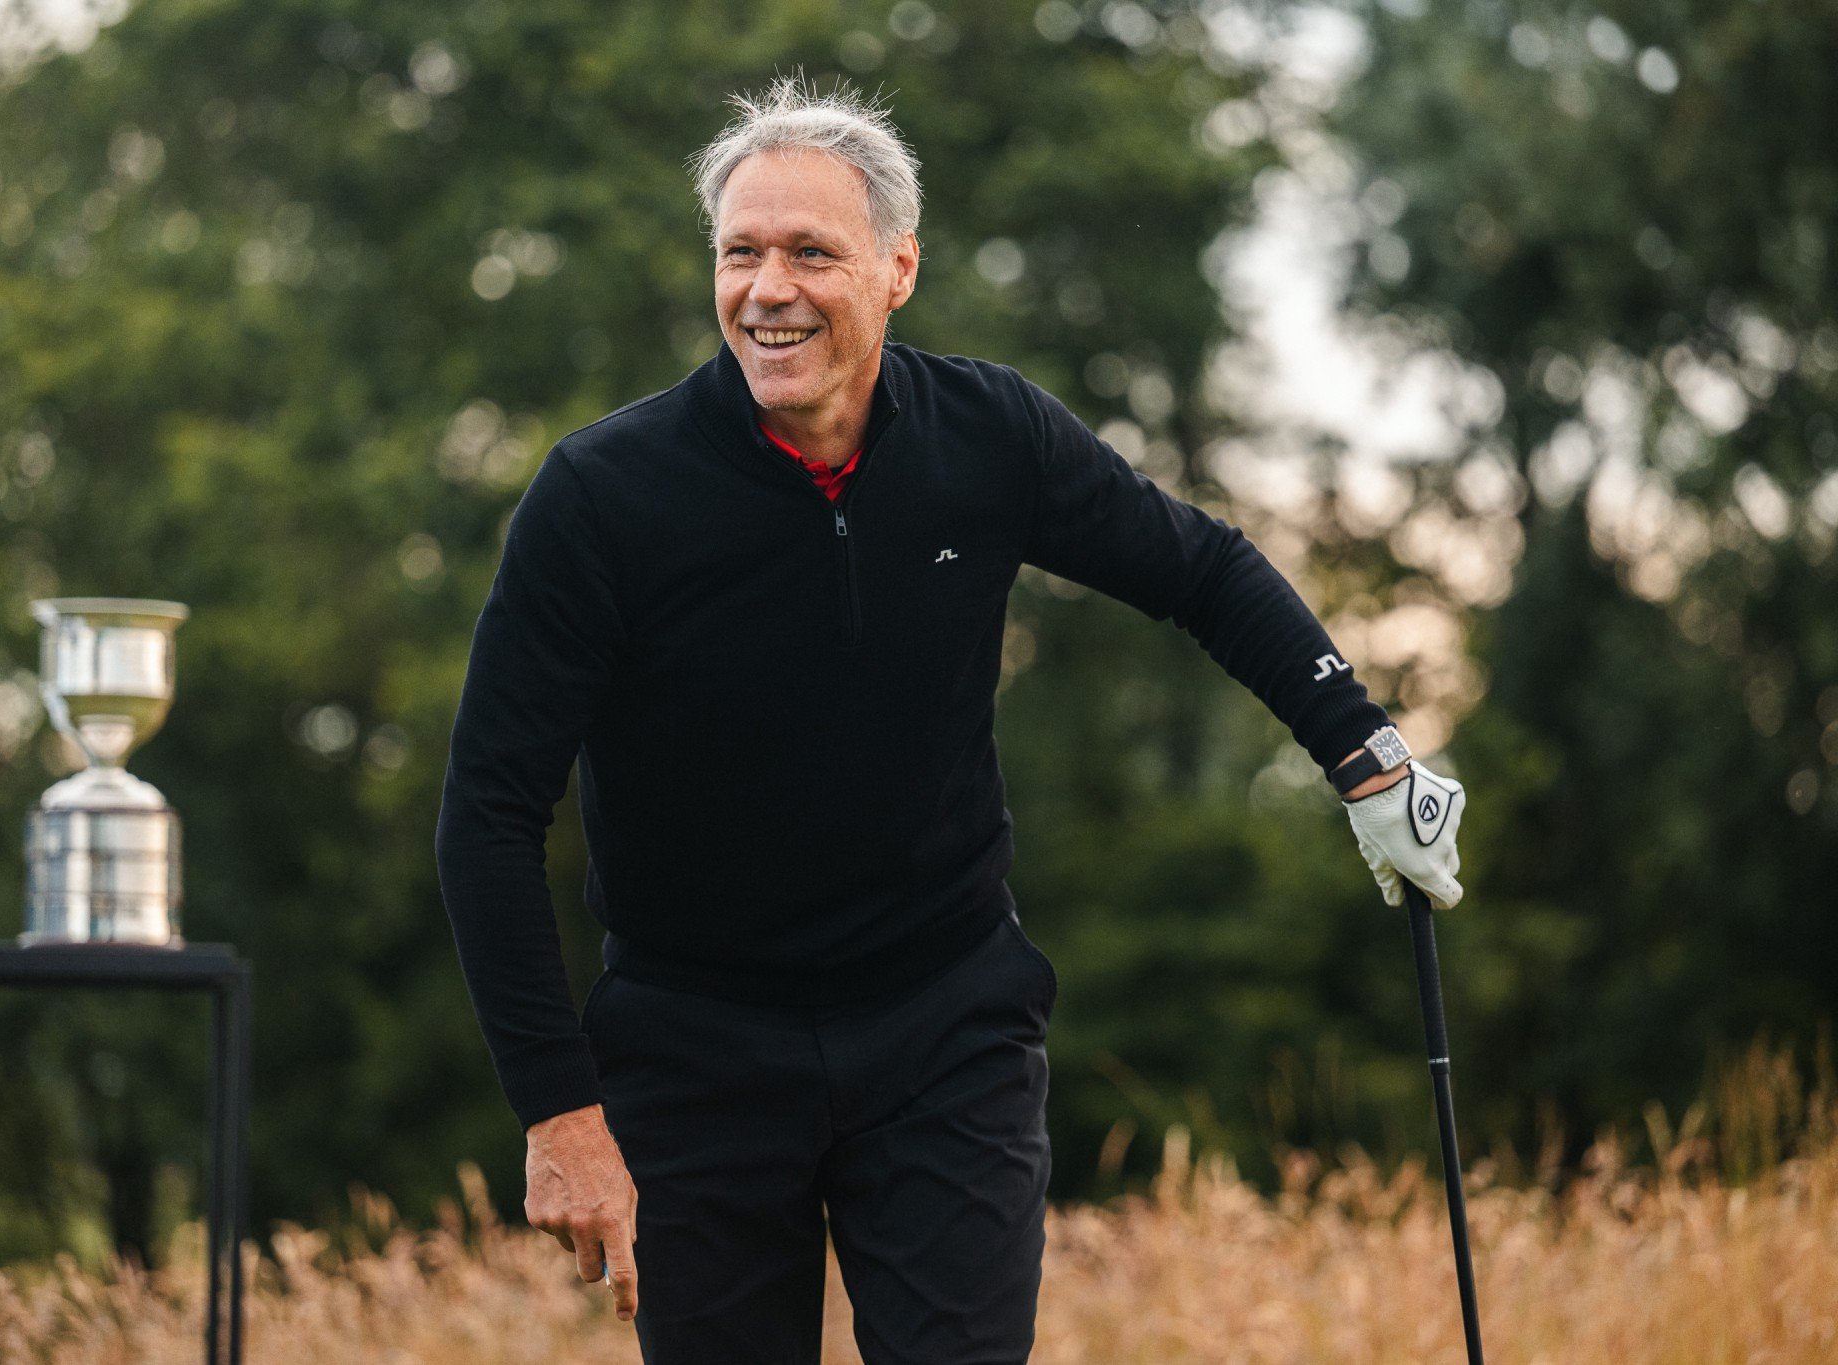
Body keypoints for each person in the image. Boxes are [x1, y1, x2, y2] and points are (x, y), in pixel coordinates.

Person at [435, 77, 1467, 1365]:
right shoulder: (601, 495)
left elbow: (1202, 570)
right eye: (740, 252)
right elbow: (487, 815)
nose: (769, 290)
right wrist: (559, 1112)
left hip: (942, 1025)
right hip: (694, 1046)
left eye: (812, 253)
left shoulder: (990, 435)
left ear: (899, 269)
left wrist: (1368, 759)